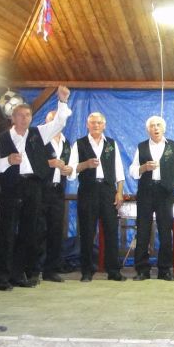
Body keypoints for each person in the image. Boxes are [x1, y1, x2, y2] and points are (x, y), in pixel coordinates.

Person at [0, 87, 71, 290]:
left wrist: (62, 102)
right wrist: (8, 160)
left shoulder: (37, 133)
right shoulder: (2, 138)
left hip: (33, 186)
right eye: (20, 115)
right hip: (11, 187)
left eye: (28, 115)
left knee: (29, 232)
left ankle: (19, 274)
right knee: (7, 232)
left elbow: (59, 123)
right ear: (12, 118)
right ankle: (2, 277)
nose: (24, 119)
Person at [68, 111, 126, 282]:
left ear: (104, 125)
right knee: (87, 232)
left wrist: (119, 192)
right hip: (88, 190)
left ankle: (113, 270)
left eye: (99, 122)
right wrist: (85, 164)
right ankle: (86, 271)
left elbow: (119, 170)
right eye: (93, 122)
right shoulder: (79, 144)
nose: (96, 125)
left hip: (108, 191)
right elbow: (71, 170)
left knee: (111, 231)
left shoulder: (111, 144)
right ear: (87, 125)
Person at [129, 116, 174, 281]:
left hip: (165, 193)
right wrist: (143, 168)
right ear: (148, 130)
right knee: (143, 230)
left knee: (166, 231)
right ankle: (142, 270)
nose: (155, 128)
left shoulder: (173, 146)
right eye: (152, 126)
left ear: (164, 128)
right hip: (146, 192)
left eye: (158, 125)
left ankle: (164, 269)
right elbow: (132, 170)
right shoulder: (141, 147)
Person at [41, 108, 73, 282]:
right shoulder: (40, 140)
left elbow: (70, 166)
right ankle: (32, 269)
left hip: (58, 190)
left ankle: (50, 270)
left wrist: (68, 170)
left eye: (57, 120)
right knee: (38, 230)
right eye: (51, 120)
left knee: (55, 230)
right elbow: (30, 162)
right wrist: (49, 163)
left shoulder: (66, 143)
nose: (55, 124)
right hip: (41, 190)